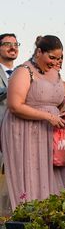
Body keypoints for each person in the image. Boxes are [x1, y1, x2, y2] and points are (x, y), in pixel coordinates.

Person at [1, 35, 65, 209]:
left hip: (51, 136)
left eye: (60, 58)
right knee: (31, 179)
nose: (56, 62)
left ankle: (51, 223)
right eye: (52, 57)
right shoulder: (24, 71)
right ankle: (27, 223)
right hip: (26, 133)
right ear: (39, 52)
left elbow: (62, 100)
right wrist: (48, 117)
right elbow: (14, 106)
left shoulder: (55, 73)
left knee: (53, 182)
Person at [0, 33, 19, 215]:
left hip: (18, 139)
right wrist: (15, 86)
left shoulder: (23, 71)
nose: (12, 47)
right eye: (7, 44)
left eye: (15, 44)